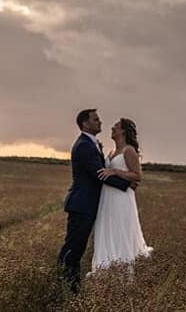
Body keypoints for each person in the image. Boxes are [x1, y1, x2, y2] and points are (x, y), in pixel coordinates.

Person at [57, 108, 131, 292]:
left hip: (86, 204)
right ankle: (66, 286)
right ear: (85, 123)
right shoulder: (84, 145)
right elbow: (99, 174)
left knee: (77, 247)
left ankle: (70, 286)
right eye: (96, 119)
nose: (100, 122)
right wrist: (126, 185)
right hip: (82, 204)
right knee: (74, 247)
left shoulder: (91, 143)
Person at [90, 117, 153, 273]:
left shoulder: (128, 150)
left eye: (116, 126)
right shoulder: (111, 152)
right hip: (107, 196)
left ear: (123, 131)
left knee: (120, 228)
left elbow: (137, 175)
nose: (112, 128)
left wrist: (115, 171)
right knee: (107, 228)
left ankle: (123, 265)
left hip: (121, 198)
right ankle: (106, 265)